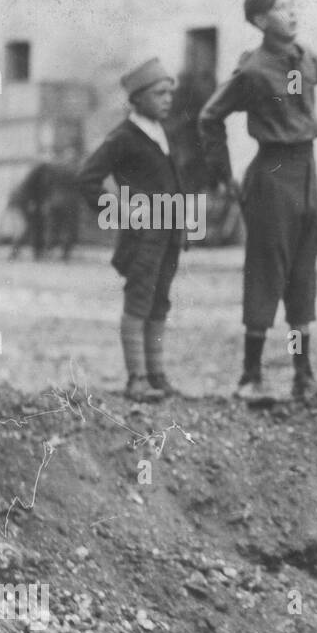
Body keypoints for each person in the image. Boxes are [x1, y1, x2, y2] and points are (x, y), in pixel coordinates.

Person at [198, 0, 317, 402]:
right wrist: (222, 174)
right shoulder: (253, 71)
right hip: (272, 174)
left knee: (302, 277)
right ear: (261, 21)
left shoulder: (305, 59)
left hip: (305, 173)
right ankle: (250, 376)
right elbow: (211, 116)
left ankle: (304, 376)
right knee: (267, 273)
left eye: (294, 5)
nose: (293, 13)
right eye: (282, 8)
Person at [78, 58, 187, 402]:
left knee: (160, 302)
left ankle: (156, 374)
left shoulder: (159, 131)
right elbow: (87, 178)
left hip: (168, 232)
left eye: (170, 92)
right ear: (137, 99)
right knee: (139, 302)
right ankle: (136, 379)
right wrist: (121, 211)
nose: (167, 99)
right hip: (142, 238)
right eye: (159, 93)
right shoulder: (124, 136)